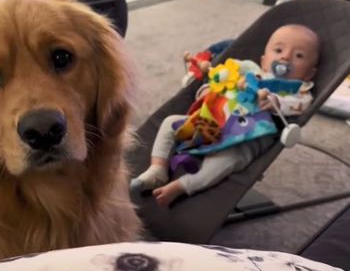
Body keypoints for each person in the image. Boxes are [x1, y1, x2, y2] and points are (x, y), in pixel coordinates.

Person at [131, 24, 320, 206]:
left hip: (247, 137)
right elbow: (222, 83)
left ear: (309, 73)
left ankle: (184, 185)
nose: (286, 57)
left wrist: (277, 103)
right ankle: (158, 169)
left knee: (227, 160)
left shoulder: (299, 91)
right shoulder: (249, 73)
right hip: (213, 122)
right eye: (278, 50)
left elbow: (299, 106)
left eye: (298, 55)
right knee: (170, 123)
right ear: (263, 61)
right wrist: (207, 90)